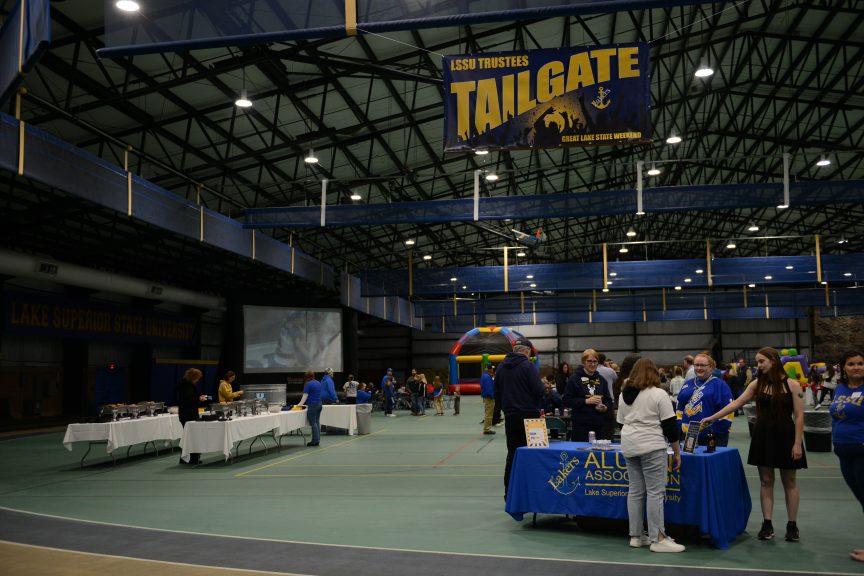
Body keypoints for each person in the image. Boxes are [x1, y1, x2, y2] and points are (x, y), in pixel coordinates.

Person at [703, 346, 806, 542]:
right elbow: (735, 404)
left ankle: (792, 526)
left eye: (761, 361)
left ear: (773, 361)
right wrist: (712, 417)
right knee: (766, 481)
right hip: (763, 436)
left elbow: (800, 416)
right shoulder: (756, 385)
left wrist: (797, 443)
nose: (758, 365)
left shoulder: (793, 385)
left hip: (786, 437)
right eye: (757, 361)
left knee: (790, 482)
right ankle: (767, 525)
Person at [617, 358, 684, 553]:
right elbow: (671, 428)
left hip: (629, 445)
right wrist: (677, 452)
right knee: (656, 492)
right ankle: (658, 538)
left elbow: (621, 423)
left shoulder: (623, 395)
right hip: (651, 446)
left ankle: (636, 536)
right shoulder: (659, 394)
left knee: (635, 491)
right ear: (654, 373)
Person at [497, 338, 544, 499]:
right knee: (533, 454)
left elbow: (497, 393)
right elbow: (539, 390)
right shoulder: (528, 366)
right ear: (528, 351)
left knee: (512, 454)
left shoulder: (501, 367)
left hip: (511, 417)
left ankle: (509, 493)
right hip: (531, 417)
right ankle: (532, 492)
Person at [829, 351, 864, 562]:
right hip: (843, 449)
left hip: (862, 450)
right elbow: (836, 417)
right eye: (851, 364)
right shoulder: (840, 389)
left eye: (860, 363)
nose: (857, 367)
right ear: (844, 367)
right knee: (861, 498)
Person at [676, 352, 734, 447]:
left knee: (713, 461)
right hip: (689, 436)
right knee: (692, 460)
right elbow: (679, 408)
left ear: (711, 367)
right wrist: (681, 427)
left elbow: (728, 413)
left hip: (713, 437)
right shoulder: (687, 384)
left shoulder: (720, 385)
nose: (699, 368)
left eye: (702, 365)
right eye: (696, 365)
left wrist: (711, 431)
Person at [563, 349, 613, 441]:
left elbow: (609, 400)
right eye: (589, 361)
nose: (592, 364)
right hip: (581, 425)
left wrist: (605, 407)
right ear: (583, 362)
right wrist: (585, 401)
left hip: (599, 425)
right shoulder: (574, 379)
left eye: (595, 361)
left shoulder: (602, 380)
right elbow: (566, 400)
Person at [176, 368, 209, 464]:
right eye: (197, 378)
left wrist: (198, 398)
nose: (198, 380)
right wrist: (200, 399)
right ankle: (192, 459)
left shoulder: (185, 385)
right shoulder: (187, 387)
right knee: (193, 437)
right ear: (193, 378)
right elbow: (190, 401)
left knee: (188, 437)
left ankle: (186, 458)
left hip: (186, 414)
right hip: (188, 415)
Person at [297, 370, 323, 446]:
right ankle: (317, 439)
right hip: (320, 404)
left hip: (313, 405)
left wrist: (298, 405)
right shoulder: (318, 383)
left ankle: (315, 440)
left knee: (313, 423)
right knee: (317, 422)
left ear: (307, 377)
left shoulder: (308, 384)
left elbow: (304, 397)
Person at [481, 364, 496, 434]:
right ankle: (487, 429)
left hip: (487, 397)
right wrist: (492, 396)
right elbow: (489, 389)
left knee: (488, 413)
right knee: (489, 414)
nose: (492, 370)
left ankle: (487, 428)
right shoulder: (487, 377)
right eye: (492, 368)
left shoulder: (485, 376)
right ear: (489, 369)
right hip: (489, 397)